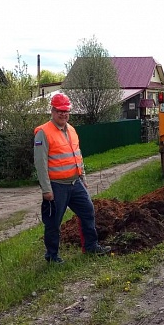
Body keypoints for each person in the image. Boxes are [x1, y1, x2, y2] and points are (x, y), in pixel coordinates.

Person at [34, 93, 111, 263]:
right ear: (52, 111)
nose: (63, 114)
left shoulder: (71, 130)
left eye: (66, 111)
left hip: (75, 183)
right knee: (54, 222)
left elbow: (77, 155)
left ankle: (91, 247)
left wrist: (82, 177)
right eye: (60, 111)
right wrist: (47, 190)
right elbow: (40, 163)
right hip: (56, 186)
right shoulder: (43, 133)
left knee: (88, 211)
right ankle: (52, 256)